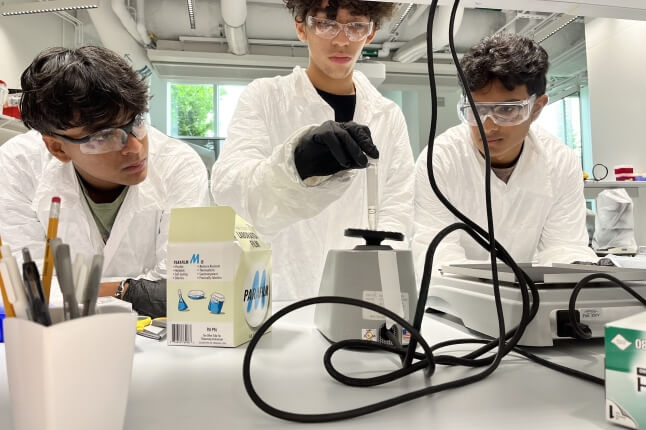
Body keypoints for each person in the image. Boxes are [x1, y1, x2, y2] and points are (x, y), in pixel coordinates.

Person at [211, 0, 414, 300]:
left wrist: (379, 286)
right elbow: (230, 191)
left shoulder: (388, 116)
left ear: (370, 34)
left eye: (356, 25)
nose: (341, 39)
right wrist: (296, 165)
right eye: (326, 23)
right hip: (279, 296)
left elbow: (398, 210)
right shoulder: (265, 98)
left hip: (359, 298)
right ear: (301, 28)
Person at [0, 46, 209, 309]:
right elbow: (27, 284)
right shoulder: (18, 165)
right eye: (104, 136)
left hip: (158, 340)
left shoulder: (178, 166)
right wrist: (130, 291)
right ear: (57, 148)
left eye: (136, 121)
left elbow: (179, 288)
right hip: (58, 335)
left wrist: (88, 291)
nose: (135, 148)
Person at [413, 32, 598, 277]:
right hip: (452, 303)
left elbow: (564, 247)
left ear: (537, 108)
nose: (489, 126)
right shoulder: (439, 161)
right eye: (477, 110)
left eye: (507, 109)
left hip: (527, 299)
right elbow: (437, 254)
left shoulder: (559, 162)